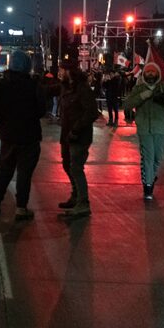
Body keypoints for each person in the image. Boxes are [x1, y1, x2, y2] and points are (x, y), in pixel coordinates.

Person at [0, 50, 47, 220]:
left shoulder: (0, 85)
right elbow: (41, 110)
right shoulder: (34, 85)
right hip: (29, 136)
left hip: (8, 135)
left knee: (5, 170)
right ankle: (21, 208)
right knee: (24, 174)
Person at [124, 62, 164, 200]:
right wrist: (142, 96)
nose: (150, 74)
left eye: (153, 72)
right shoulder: (139, 88)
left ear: (157, 74)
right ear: (144, 74)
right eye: (148, 72)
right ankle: (148, 187)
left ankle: (151, 176)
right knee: (148, 159)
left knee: (157, 157)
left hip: (160, 127)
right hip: (144, 128)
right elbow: (127, 104)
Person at [56, 59, 98, 219]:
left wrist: (76, 129)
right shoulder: (66, 88)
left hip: (79, 136)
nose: (59, 73)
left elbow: (92, 112)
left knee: (76, 168)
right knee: (67, 165)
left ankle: (83, 203)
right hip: (66, 135)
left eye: (61, 70)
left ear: (69, 72)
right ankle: (75, 196)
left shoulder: (82, 89)